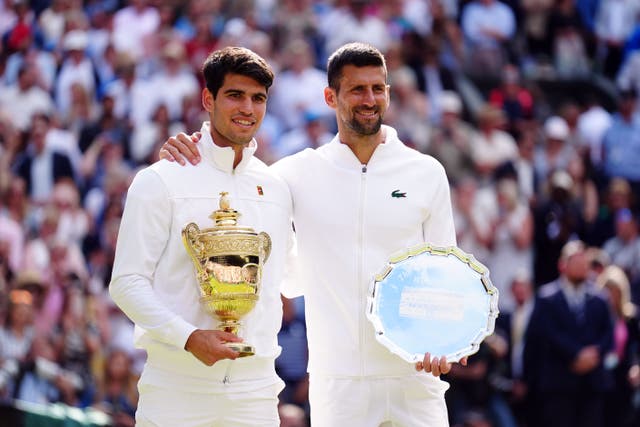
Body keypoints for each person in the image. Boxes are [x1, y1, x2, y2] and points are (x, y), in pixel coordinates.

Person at [161, 42, 466, 427]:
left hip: (416, 379)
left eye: (377, 88)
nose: (369, 99)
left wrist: (445, 339)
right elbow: (232, 173)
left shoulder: (427, 172)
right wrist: (190, 149)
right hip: (337, 387)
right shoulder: (294, 174)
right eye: (357, 89)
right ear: (330, 96)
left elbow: (448, 271)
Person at [109, 46, 294, 426]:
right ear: (208, 99)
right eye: (235, 95)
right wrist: (190, 337)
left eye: (258, 98)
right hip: (176, 389)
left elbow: (290, 278)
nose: (248, 108)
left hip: (255, 392)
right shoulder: (160, 179)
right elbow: (126, 283)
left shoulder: (276, 187)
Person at [524, 240, 614, 427]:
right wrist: (575, 354)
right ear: (562, 265)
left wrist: (594, 353)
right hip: (559, 385)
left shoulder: (600, 298)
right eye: (576, 262)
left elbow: (608, 334)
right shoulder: (547, 298)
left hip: (592, 385)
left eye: (585, 263)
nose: (582, 267)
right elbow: (543, 335)